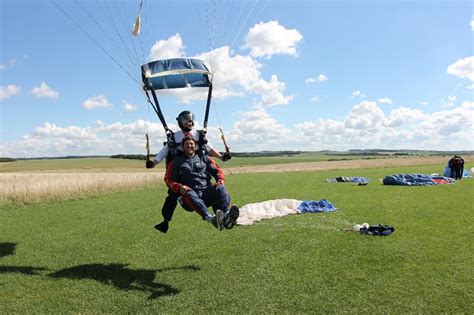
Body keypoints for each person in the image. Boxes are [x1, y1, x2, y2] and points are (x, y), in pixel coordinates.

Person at [146, 111, 231, 233]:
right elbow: (165, 151)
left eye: (190, 121)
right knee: (173, 195)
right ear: (180, 122)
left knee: (220, 188)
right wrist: (154, 163)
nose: (190, 146)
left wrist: (222, 158)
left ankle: (225, 215)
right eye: (186, 121)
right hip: (184, 181)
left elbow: (209, 149)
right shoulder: (175, 140)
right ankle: (168, 221)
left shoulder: (199, 138)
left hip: (201, 179)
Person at [165, 136, 239, 230]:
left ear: (195, 146)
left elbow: (216, 170)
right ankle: (211, 218)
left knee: (221, 188)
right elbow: (168, 179)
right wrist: (179, 187)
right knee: (188, 191)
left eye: (191, 143)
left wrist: (220, 179)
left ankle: (227, 216)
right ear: (183, 147)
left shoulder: (204, 158)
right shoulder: (176, 162)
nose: (189, 146)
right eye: (186, 144)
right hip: (188, 198)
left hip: (205, 194)